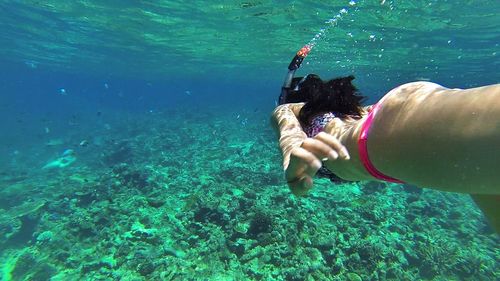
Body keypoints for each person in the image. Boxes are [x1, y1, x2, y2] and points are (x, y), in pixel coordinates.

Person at [271, 47, 500, 232]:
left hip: (387, 138)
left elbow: (283, 117)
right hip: (402, 111)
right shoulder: (349, 113)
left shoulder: (295, 109)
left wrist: (291, 151)